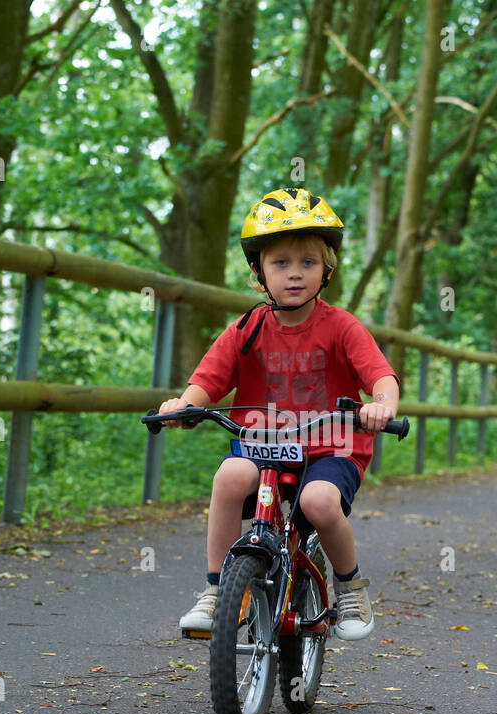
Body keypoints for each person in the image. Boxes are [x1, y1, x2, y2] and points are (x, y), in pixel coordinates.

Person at [157, 188, 401, 641]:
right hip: (262, 446)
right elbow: (206, 383)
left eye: (308, 263)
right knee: (229, 477)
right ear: (258, 272)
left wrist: (381, 406)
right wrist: (183, 406)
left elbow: (382, 379)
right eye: (281, 263)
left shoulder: (342, 327)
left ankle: (349, 585)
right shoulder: (245, 329)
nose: (294, 274)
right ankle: (216, 591)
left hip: (330, 448)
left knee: (319, 503)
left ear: (326, 270)